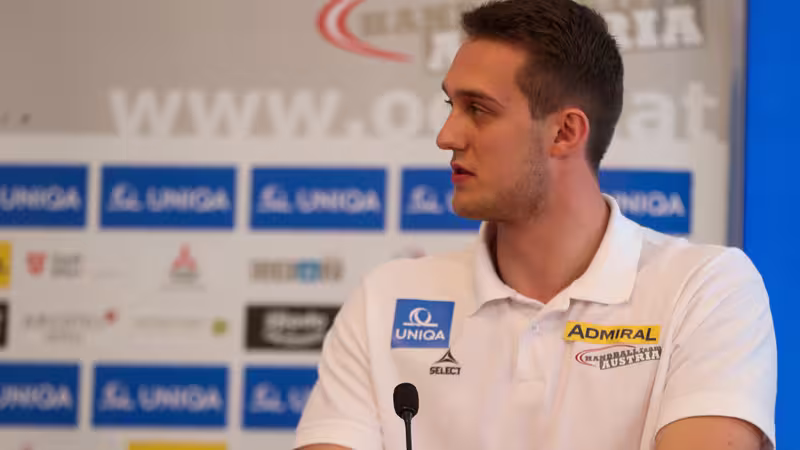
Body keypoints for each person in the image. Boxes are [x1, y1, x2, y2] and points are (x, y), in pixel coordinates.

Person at [294, 0, 777, 449]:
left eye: (478, 109)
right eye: (451, 106)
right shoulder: (386, 299)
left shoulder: (704, 288)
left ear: (565, 132)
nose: (446, 136)